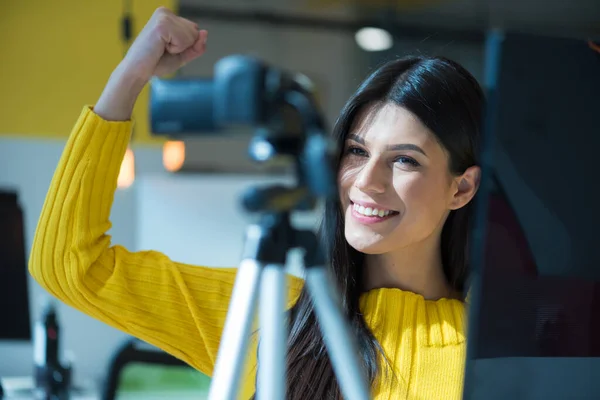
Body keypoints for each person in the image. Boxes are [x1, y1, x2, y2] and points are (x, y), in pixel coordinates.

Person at [29, 6, 483, 400]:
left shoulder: (489, 350)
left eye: (404, 160)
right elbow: (71, 264)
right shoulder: (270, 310)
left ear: (461, 189)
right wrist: (130, 74)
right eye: (356, 151)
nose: (366, 181)